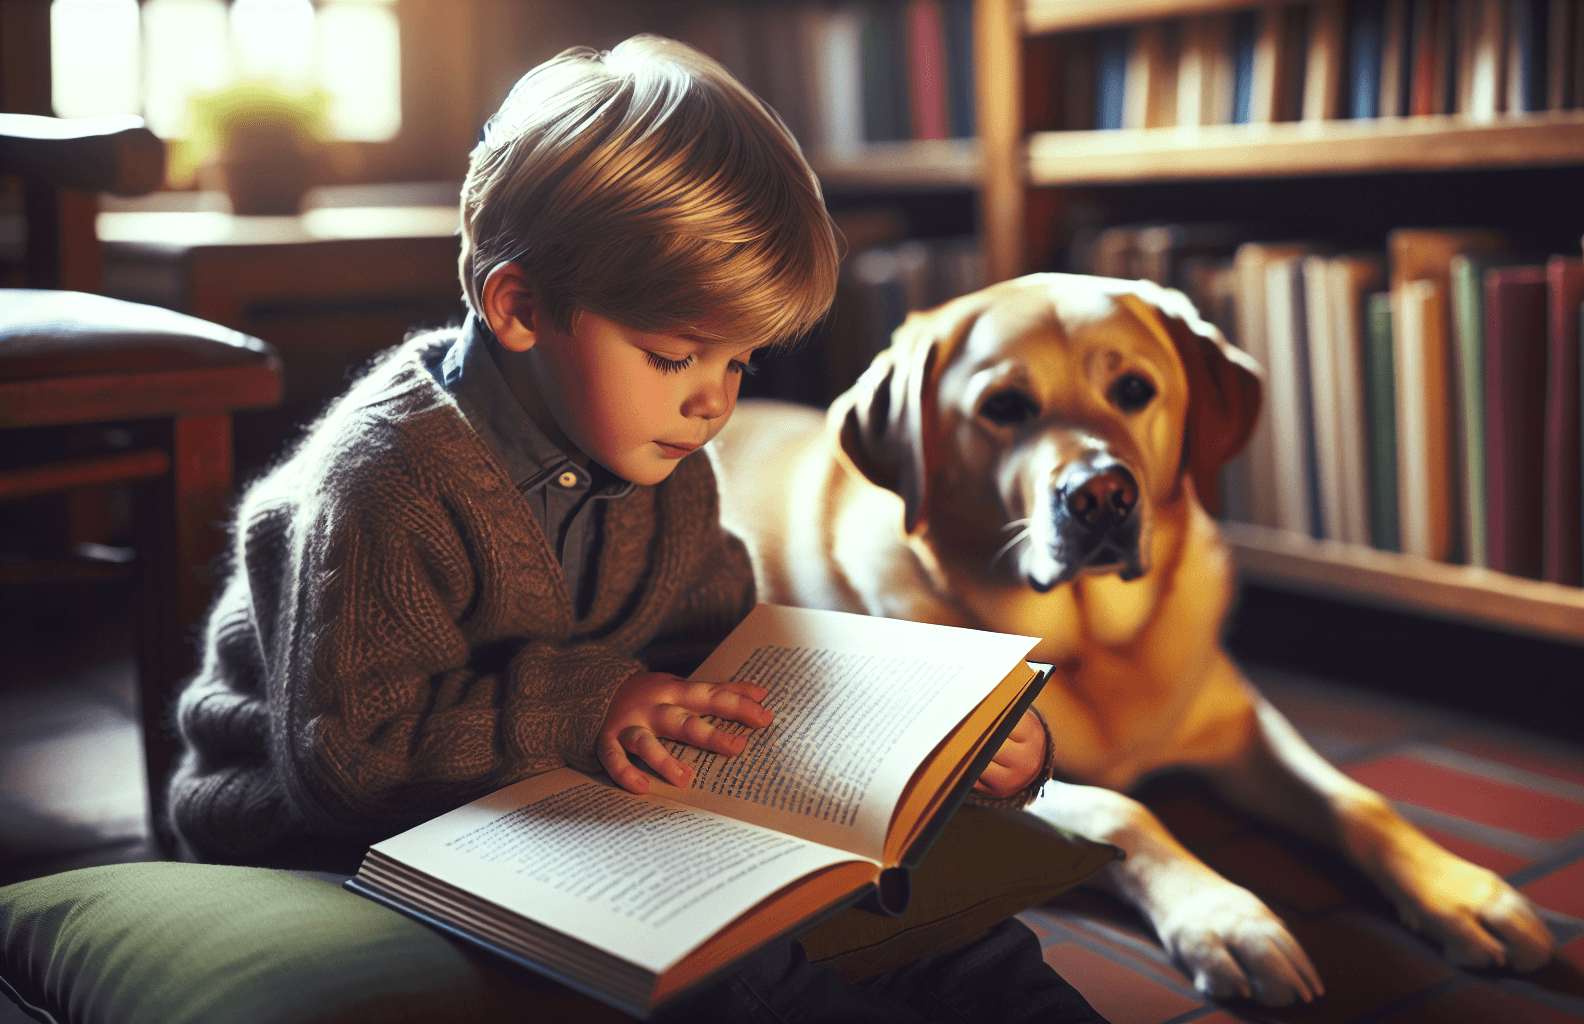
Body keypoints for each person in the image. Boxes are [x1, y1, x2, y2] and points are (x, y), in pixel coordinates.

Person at [168, 36, 1096, 1021]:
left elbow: (721, 664)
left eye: (739, 365)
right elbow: (350, 760)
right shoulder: (384, 483)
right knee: (742, 975)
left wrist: (938, 752)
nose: (711, 405)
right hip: (340, 822)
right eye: (673, 355)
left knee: (958, 930)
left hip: (575, 794)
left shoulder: (668, 468)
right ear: (520, 306)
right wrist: (586, 708)